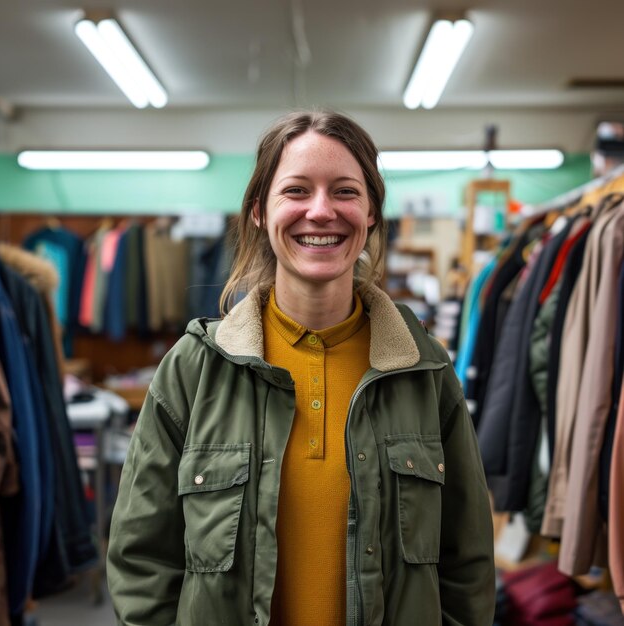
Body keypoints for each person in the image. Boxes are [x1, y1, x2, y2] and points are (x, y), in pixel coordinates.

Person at [107, 110, 495, 626]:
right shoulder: (194, 370)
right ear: (258, 213)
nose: (321, 211)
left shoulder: (423, 371)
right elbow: (140, 563)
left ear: (372, 212)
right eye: (295, 190)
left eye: (345, 191)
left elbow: (466, 567)